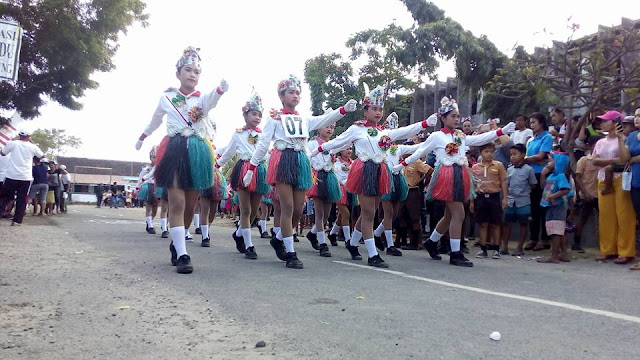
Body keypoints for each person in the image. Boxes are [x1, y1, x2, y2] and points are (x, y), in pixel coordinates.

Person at [316, 85, 436, 268]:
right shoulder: (356, 129)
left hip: (380, 172)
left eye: (380, 109)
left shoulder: (383, 132)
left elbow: (404, 131)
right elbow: (338, 142)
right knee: (369, 212)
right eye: (374, 108)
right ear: (365, 111)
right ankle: (372, 254)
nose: (378, 112)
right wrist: (318, 149)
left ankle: (353, 243)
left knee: (368, 212)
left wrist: (424, 124)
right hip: (364, 171)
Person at [244, 75, 357, 269]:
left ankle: (278, 238)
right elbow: (263, 145)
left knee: (297, 209)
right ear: (281, 95)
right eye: (291, 92)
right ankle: (290, 253)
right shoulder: (274, 119)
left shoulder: (304, 120)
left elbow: (324, 119)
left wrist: (343, 110)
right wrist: (252, 168)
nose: (295, 96)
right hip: (282, 161)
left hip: (300, 163)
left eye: (298, 93)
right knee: (287, 208)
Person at [135, 46, 228, 274]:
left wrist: (220, 90)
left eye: (197, 71)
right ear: (178, 73)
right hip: (174, 149)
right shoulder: (167, 97)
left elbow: (212, 100)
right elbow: (155, 120)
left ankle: (178, 242)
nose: (192, 74)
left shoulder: (201, 99)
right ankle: (183, 253)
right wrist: (143, 137)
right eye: (188, 69)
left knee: (190, 205)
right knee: (176, 202)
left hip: (197, 152)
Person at [394, 97, 516, 267]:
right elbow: (420, 151)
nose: (457, 119)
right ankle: (455, 253)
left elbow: (477, 140)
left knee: (450, 215)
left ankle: (432, 241)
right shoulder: (437, 136)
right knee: (459, 214)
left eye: (458, 116)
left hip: (460, 174)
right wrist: (402, 165)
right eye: (453, 116)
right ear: (443, 118)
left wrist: (499, 132)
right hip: (447, 176)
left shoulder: (460, 135)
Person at [217, 91, 271, 257]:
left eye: (259, 115)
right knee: (246, 210)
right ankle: (249, 245)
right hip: (243, 170)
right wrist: (217, 165)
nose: (257, 117)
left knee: (254, 211)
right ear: (245, 115)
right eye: (254, 114)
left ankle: (239, 234)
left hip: (259, 171)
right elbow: (228, 152)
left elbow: (267, 154)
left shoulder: (264, 134)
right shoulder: (238, 134)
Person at [373, 113, 427, 256]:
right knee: (389, 212)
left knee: (394, 213)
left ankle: (377, 233)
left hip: (397, 180)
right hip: (384, 179)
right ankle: (390, 245)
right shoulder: (379, 146)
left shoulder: (399, 148)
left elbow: (414, 149)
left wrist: (430, 143)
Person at [592, 110, 636, 264]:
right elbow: (594, 161)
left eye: (605, 121)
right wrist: (611, 161)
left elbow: (624, 159)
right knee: (606, 216)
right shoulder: (600, 142)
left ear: (615, 122)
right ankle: (608, 249)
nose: (602, 123)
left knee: (624, 215)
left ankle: (626, 251)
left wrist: (606, 161)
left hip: (620, 179)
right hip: (603, 178)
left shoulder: (625, 139)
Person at [306, 124, 343, 257]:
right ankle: (323, 244)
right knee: (320, 214)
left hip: (329, 177)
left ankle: (312, 234)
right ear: (319, 127)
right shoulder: (312, 143)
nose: (329, 129)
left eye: (332, 127)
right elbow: (308, 158)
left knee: (326, 215)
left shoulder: (334, 143)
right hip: (317, 178)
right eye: (327, 126)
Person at [471, 142, 508, 259]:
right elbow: (473, 184)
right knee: (483, 224)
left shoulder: (498, 165)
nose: (489, 154)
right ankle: (483, 248)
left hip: (494, 197)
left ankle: (496, 248)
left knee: (496, 224)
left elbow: (503, 182)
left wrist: (505, 198)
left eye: (491, 152)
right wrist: (472, 201)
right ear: (480, 153)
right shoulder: (475, 167)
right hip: (481, 197)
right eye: (486, 152)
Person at [0, 130, 44, 225]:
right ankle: (17, 220)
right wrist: (32, 142)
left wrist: (14, 140)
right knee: (22, 199)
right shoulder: (33, 146)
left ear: (19, 135)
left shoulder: (13, 143)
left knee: (4, 197)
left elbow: (3, 153)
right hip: (25, 177)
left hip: (11, 175)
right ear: (29, 136)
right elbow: (41, 155)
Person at [524, 112, 553, 251]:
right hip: (530, 174)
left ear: (541, 123)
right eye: (530, 123)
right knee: (533, 208)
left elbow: (542, 156)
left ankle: (544, 238)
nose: (532, 125)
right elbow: (534, 157)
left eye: (534, 122)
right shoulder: (531, 139)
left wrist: (528, 159)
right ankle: (533, 237)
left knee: (543, 206)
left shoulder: (547, 137)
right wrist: (533, 158)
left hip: (542, 174)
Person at [502, 144, 537, 256]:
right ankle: (505, 246)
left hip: (523, 200)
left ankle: (519, 247)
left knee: (523, 223)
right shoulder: (509, 169)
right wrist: (505, 198)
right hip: (510, 199)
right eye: (511, 154)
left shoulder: (529, 169)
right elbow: (506, 185)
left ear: (522, 155)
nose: (512, 156)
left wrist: (524, 191)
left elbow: (533, 184)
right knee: (507, 223)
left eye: (515, 154)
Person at [537, 152, 571, 263]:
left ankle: (554, 255)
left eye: (551, 160)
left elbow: (565, 189)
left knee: (556, 231)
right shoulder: (552, 175)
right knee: (556, 230)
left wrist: (553, 196)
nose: (548, 162)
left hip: (557, 206)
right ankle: (563, 254)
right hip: (550, 206)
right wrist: (543, 174)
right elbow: (543, 186)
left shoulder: (561, 176)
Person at [399, 145, 433, 250]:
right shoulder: (401, 163)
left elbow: (430, 171)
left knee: (414, 217)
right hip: (403, 192)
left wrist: (420, 182)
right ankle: (404, 240)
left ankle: (415, 242)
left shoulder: (416, 161)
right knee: (402, 216)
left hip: (413, 191)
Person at [620, 107, 640, 270]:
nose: (637, 118)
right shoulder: (632, 136)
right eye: (637, 115)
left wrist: (634, 158)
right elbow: (625, 158)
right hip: (635, 182)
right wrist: (621, 139)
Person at [328, 147, 356, 246]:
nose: (349, 151)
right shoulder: (335, 162)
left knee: (341, 214)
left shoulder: (353, 163)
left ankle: (331, 234)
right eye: (346, 149)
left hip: (350, 190)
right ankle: (348, 239)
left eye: (350, 149)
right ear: (341, 150)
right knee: (346, 214)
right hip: (339, 190)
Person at [135, 147, 159, 234]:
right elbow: (140, 178)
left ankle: (149, 222)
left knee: (155, 209)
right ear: (150, 157)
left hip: (157, 188)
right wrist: (137, 188)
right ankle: (150, 225)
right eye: (153, 157)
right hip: (148, 187)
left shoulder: (160, 167)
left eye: (157, 157)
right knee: (148, 207)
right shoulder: (146, 169)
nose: (155, 159)